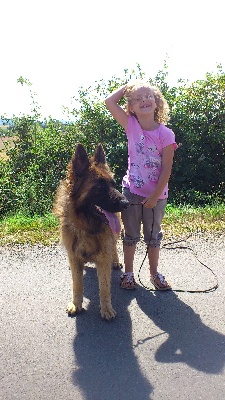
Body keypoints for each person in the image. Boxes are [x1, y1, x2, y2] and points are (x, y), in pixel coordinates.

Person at [105, 80, 178, 290]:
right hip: (132, 192)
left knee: (153, 236)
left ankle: (155, 274)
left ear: (157, 102)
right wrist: (128, 86)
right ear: (131, 107)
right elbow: (109, 101)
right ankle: (128, 274)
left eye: (148, 96)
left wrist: (155, 195)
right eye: (138, 98)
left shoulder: (166, 134)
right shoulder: (131, 125)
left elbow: (166, 169)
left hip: (157, 196)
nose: (144, 100)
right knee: (130, 235)